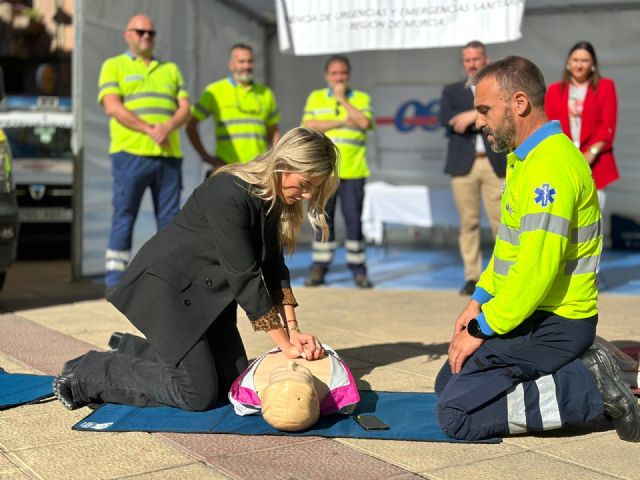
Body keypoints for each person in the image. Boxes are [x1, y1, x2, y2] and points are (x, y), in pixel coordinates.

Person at [52, 127, 340, 412]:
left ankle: (135, 348)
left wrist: (293, 331)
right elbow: (245, 277)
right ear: (282, 164)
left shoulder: (273, 200)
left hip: (206, 299)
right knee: (196, 393)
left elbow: (274, 268)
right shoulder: (230, 192)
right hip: (166, 289)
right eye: (305, 184)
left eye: (312, 188)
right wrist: (286, 345)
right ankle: (89, 372)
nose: (306, 195)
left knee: (232, 383)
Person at [434, 56, 640, 442]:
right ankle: (575, 368)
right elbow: (508, 251)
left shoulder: (551, 168)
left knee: (457, 415)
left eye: (485, 109)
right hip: (532, 316)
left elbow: (535, 272)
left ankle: (593, 387)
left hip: (558, 323)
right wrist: (478, 299)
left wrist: (482, 328)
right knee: (450, 380)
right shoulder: (522, 158)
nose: (479, 121)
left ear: (519, 103)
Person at [98, 14, 190, 291]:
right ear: (127, 34)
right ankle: (114, 281)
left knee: (171, 220)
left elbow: (185, 108)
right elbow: (112, 106)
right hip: (131, 154)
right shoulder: (113, 65)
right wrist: (150, 128)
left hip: (168, 156)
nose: (146, 37)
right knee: (125, 214)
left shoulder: (170, 69)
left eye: (151, 32)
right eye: (140, 32)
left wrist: (168, 126)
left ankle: (168, 277)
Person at [439, 41, 507, 296]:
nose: (472, 64)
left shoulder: (497, 89)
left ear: (485, 59)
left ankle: (503, 274)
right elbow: (446, 121)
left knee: (501, 221)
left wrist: (469, 116)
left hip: (494, 163)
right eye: (467, 60)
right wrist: (480, 113)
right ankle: (472, 276)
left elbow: (501, 114)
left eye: (476, 59)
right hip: (464, 164)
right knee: (468, 223)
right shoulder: (452, 91)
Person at [302, 55, 374, 289]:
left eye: (342, 73)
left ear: (348, 75)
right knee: (322, 219)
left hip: (353, 170)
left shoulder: (361, 98)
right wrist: (343, 121)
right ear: (327, 76)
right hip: (324, 172)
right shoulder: (315, 97)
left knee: (354, 221)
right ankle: (319, 267)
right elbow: (308, 126)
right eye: (334, 74)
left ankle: (359, 270)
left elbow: (363, 123)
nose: (338, 78)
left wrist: (342, 100)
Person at [545, 41, 619, 210]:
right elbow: (550, 125)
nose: (579, 65)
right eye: (575, 60)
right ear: (568, 63)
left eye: (584, 60)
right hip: (564, 161)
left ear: (593, 64)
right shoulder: (554, 90)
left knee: (594, 216)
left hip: (596, 163)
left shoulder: (605, 87)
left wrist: (591, 153)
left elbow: (607, 126)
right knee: (566, 214)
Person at [186, 43, 281, 173]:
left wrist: (274, 158)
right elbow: (190, 125)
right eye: (241, 62)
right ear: (231, 65)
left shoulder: (266, 93)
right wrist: (206, 157)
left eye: (249, 61)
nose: (246, 66)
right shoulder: (215, 91)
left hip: (258, 169)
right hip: (228, 167)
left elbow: (274, 131)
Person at [229, 343, 359, 431]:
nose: (291, 364)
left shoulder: (246, 390)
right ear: (315, 398)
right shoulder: (339, 389)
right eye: (303, 372)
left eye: (279, 372)